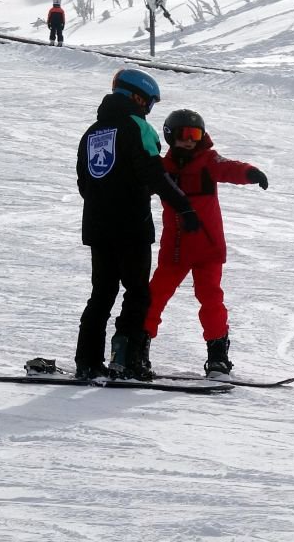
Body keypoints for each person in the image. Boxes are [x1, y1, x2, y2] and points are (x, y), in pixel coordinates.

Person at [74, 68, 201, 381]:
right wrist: (184, 208)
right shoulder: (139, 127)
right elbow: (154, 174)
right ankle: (127, 360)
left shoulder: (92, 132)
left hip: (97, 226)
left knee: (101, 294)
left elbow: (84, 181)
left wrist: (102, 204)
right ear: (137, 97)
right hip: (130, 224)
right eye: (149, 103)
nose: (149, 109)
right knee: (137, 293)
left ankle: (87, 360)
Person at [143, 109, 268, 379]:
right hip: (175, 249)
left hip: (207, 249)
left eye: (195, 135)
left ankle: (218, 358)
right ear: (170, 137)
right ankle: (139, 349)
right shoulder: (163, 168)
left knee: (211, 299)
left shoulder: (208, 160)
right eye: (183, 135)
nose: (189, 140)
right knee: (154, 297)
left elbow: (228, 167)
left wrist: (250, 173)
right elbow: (141, 184)